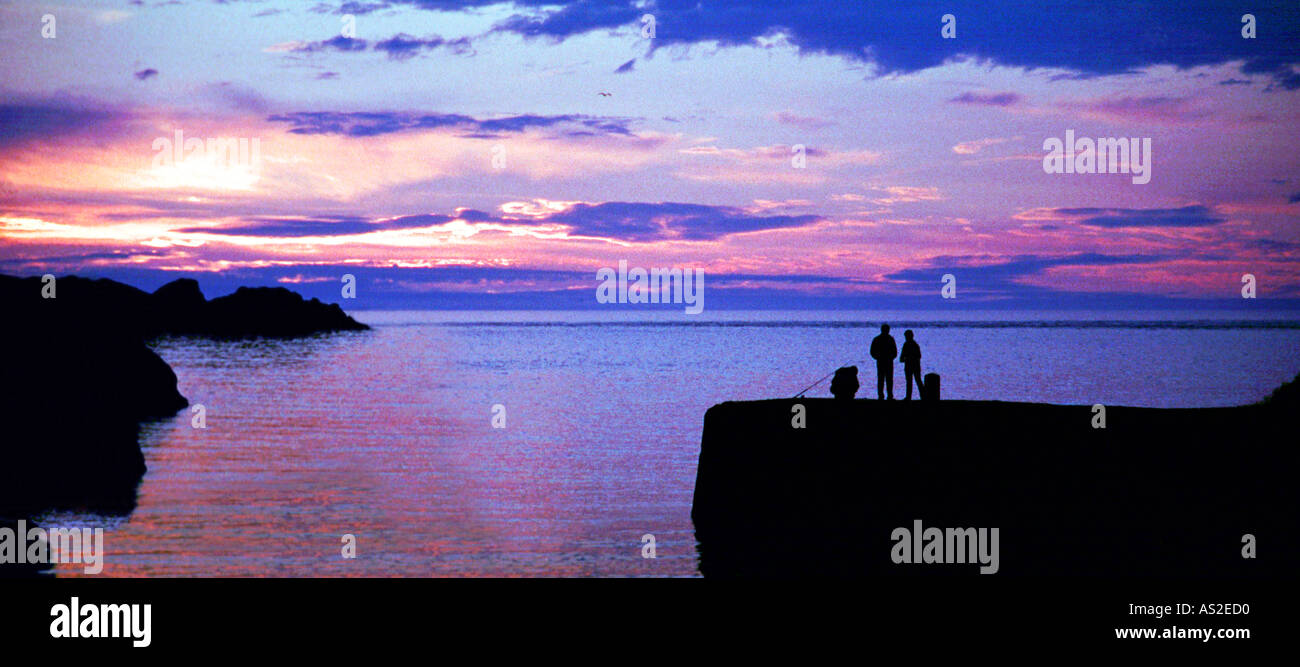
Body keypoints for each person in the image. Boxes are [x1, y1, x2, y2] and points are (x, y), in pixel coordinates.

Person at [869, 324, 897, 400]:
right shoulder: (889, 339)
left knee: (884, 379)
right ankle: (885, 395)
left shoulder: (878, 339)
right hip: (884, 361)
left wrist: (878, 357)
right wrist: (879, 357)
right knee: (885, 379)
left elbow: (894, 352)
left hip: (884, 361)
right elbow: (872, 351)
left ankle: (885, 395)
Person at [899, 329, 924, 400]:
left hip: (910, 365)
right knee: (916, 381)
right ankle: (922, 396)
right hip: (914, 365)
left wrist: (907, 359)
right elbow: (919, 356)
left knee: (913, 381)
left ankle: (909, 397)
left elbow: (902, 357)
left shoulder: (907, 345)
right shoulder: (914, 345)